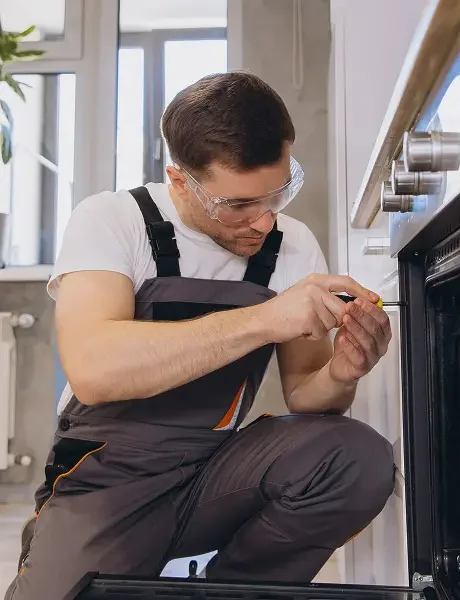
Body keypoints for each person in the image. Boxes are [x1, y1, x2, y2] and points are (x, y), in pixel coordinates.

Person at [5, 72, 395, 600]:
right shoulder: (114, 220)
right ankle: (63, 538)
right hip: (108, 475)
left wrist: (342, 373)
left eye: (278, 194)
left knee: (355, 457)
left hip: (216, 469)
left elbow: (305, 391)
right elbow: (95, 369)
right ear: (181, 180)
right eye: (236, 206)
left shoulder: (292, 244)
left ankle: (227, 589)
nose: (262, 223)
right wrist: (265, 318)